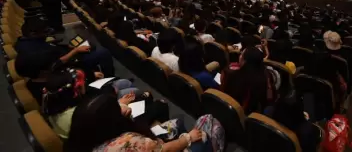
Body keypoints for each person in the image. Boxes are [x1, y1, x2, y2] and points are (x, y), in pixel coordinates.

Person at [65, 94, 216, 152]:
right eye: (117, 108)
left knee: (176, 123)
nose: (122, 108)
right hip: (159, 148)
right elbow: (164, 150)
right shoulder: (129, 142)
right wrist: (187, 138)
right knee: (202, 131)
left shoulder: (79, 141)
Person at [15, 18, 115, 102]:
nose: (46, 34)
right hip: (71, 66)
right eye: (44, 31)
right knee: (103, 54)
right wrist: (76, 53)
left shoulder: (25, 46)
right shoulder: (55, 88)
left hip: (68, 64)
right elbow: (58, 63)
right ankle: (110, 80)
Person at [42, 68, 142, 139]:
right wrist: (120, 104)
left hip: (83, 131)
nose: (84, 84)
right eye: (82, 85)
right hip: (102, 135)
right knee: (135, 91)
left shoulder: (51, 102)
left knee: (124, 83)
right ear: (74, 93)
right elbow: (107, 124)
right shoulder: (82, 114)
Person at [222, 47, 270, 114]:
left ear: (244, 61)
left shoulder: (230, 75)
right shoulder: (264, 78)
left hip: (229, 112)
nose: (240, 56)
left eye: (241, 54)